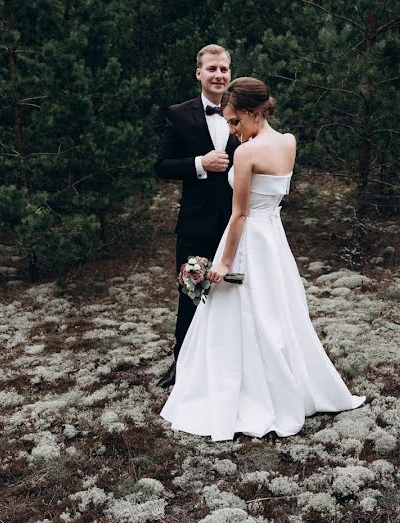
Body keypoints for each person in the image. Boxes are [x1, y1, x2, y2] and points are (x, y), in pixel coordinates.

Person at [160, 77, 365, 442]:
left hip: (249, 240)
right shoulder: (288, 142)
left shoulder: (246, 153)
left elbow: (239, 215)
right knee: (277, 310)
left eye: (236, 121)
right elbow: (273, 199)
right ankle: (287, 384)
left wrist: (223, 263)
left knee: (243, 313)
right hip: (274, 239)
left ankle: (250, 391)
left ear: (255, 113)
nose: (232, 129)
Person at [154, 44, 241, 388]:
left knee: (237, 292)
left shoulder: (245, 112)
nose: (218, 75)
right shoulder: (179, 114)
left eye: (224, 69)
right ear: (199, 74)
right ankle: (182, 367)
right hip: (196, 222)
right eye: (212, 69)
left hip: (237, 224)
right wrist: (199, 164)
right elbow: (161, 166)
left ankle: (231, 366)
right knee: (190, 293)